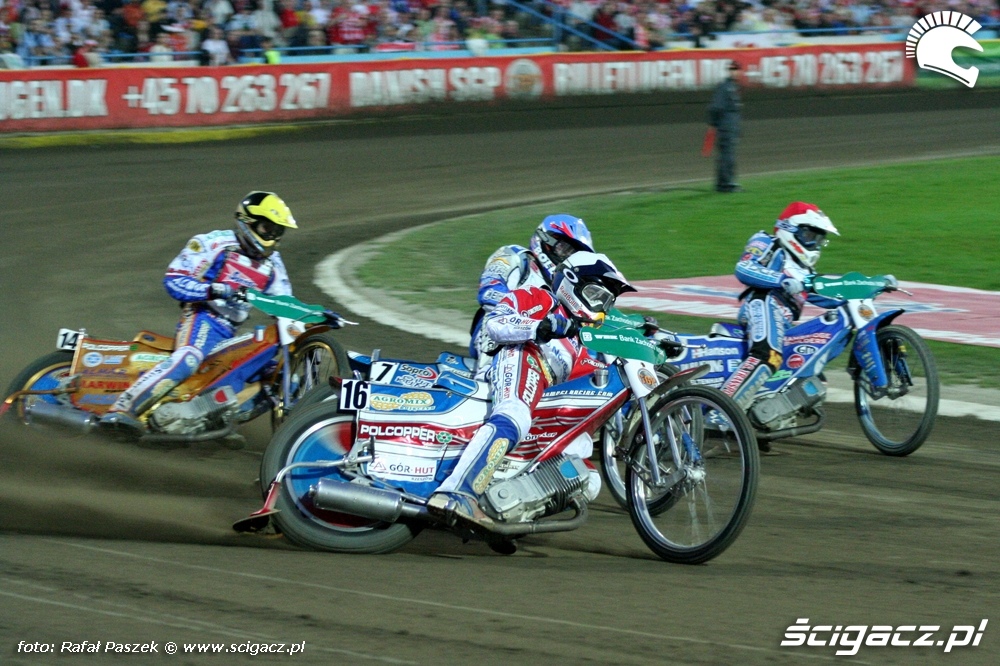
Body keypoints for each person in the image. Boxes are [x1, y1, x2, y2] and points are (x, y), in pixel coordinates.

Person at [428, 251, 636, 528]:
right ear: (572, 282)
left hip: (546, 388)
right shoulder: (540, 298)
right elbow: (495, 323)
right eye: (596, 296)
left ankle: (505, 512)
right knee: (515, 415)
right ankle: (457, 493)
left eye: (606, 302)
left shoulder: (580, 340)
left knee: (587, 474)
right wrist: (541, 326)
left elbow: (588, 377)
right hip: (520, 357)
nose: (600, 307)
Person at [100, 192, 298, 432]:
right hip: (201, 318)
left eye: (278, 231)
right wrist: (215, 289)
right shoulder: (214, 243)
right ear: (248, 222)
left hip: (230, 332)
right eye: (268, 228)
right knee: (190, 358)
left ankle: (215, 422)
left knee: (285, 378)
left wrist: (313, 316)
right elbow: (174, 280)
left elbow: (284, 304)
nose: (273, 237)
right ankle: (122, 409)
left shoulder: (274, 263)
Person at [720, 202, 841, 414]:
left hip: (783, 324)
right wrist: (781, 280)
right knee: (767, 355)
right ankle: (721, 413)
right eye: (810, 235)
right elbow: (744, 268)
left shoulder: (806, 271)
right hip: (763, 303)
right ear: (790, 229)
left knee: (808, 370)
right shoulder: (767, 241)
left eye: (818, 239)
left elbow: (827, 296)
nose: (815, 243)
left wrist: (863, 290)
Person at [468, 214, 595, 373]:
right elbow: (489, 291)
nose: (569, 259)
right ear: (545, 240)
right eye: (565, 250)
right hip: (501, 328)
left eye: (575, 255)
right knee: (493, 315)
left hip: (545, 347)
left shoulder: (567, 286)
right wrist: (533, 319)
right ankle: (486, 373)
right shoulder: (515, 256)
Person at [708, 60, 742, 193]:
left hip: (730, 127)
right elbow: (715, 107)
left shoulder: (733, 87)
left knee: (726, 156)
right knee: (727, 156)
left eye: (736, 69)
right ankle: (727, 184)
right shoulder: (725, 87)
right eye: (731, 70)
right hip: (726, 127)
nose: (734, 72)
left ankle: (723, 183)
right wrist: (713, 123)